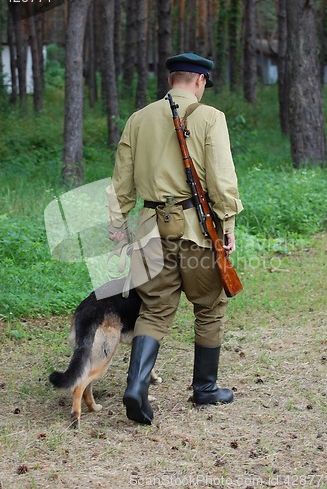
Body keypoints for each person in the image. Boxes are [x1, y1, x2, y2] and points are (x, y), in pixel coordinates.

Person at [108, 53, 243, 425]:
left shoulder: (138, 119)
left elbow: (121, 182)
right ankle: (205, 390)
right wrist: (227, 223)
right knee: (210, 307)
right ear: (200, 81)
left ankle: (136, 386)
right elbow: (221, 177)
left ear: (172, 80)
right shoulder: (210, 117)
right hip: (197, 232)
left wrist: (117, 225)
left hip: (150, 232)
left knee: (153, 310)